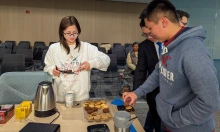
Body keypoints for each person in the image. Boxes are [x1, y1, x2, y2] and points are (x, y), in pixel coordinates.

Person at [123, 0, 220, 132]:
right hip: (170, 124)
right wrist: (136, 93)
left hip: (189, 128)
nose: (149, 35)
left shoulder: (194, 51)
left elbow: (210, 102)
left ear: (163, 22)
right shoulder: (168, 45)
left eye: (150, 29)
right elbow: (159, 72)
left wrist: (175, 119)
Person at [44, 16, 110, 102]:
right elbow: (47, 67)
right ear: (62, 32)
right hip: (60, 95)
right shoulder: (54, 48)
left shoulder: (86, 47)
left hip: (81, 96)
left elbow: (106, 59)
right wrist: (53, 70)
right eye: (68, 33)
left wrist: (91, 63)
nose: (72, 36)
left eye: (75, 33)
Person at [133, 19, 162, 132]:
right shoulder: (144, 46)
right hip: (153, 90)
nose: (149, 37)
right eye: (145, 34)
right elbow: (140, 70)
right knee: (155, 115)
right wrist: (135, 93)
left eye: (150, 33)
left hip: (171, 90)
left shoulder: (169, 42)